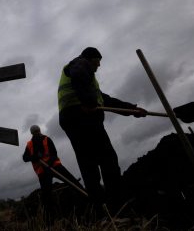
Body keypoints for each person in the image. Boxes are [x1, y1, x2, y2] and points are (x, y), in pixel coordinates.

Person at [58, 47, 146, 210]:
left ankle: (100, 207)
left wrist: (132, 109)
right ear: (91, 59)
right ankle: (117, 205)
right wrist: (88, 103)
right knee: (108, 161)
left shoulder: (87, 82)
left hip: (71, 119)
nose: (99, 66)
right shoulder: (80, 64)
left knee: (88, 164)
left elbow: (105, 100)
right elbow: (79, 75)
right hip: (82, 118)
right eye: (98, 61)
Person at [22, 125, 83, 223]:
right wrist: (34, 157)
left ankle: (86, 197)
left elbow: (54, 153)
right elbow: (25, 158)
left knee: (72, 181)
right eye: (35, 132)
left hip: (54, 166)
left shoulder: (46, 139)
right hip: (42, 172)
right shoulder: (29, 145)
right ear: (33, 133)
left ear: (39, 130)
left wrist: (49, 164)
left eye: (37, 131)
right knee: (46, 196)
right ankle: (50, 220)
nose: (37, 132)